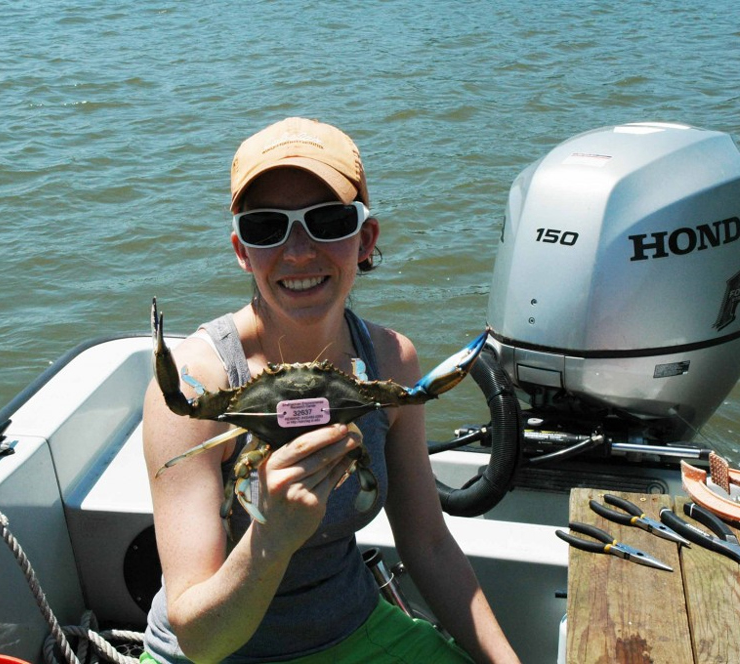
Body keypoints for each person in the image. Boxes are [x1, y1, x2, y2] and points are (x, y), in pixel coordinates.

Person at [141, 117, 519, 664]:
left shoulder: (390, 363)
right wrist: (272, 538)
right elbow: (200, 642)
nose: (298, 251)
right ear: (242, 250)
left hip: (351, 628)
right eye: (267, 227)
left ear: (365, 239)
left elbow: (429, 545)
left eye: (328, 221)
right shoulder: (197, 389)